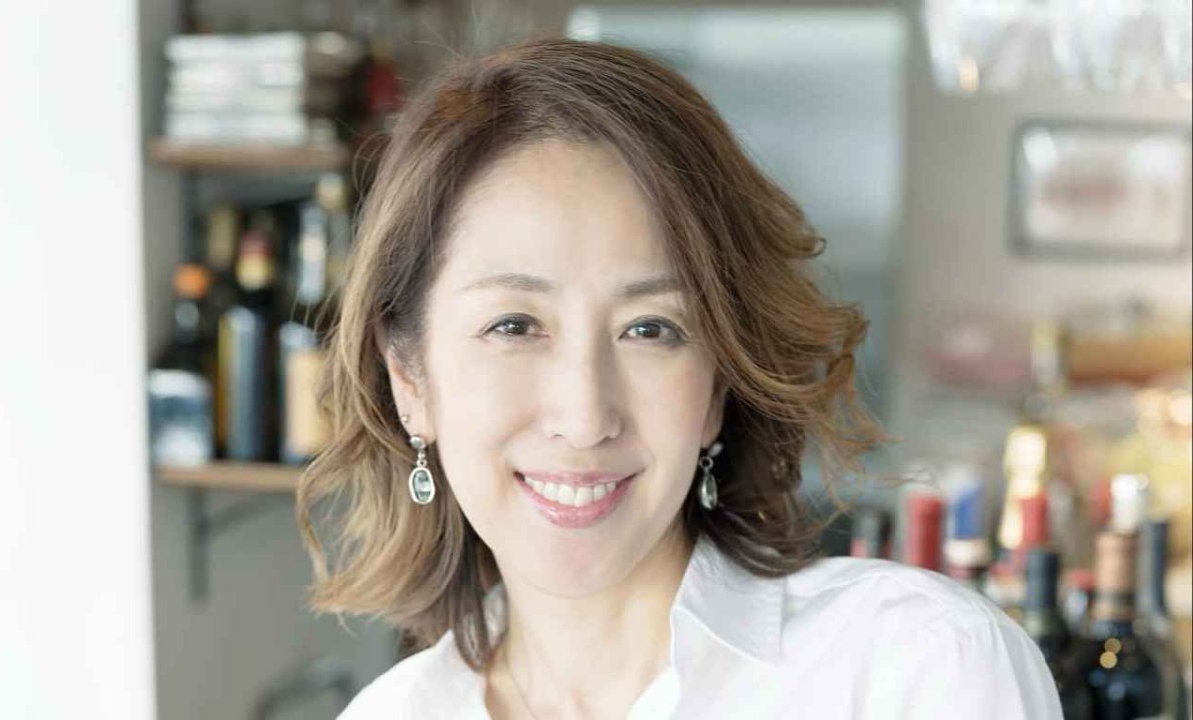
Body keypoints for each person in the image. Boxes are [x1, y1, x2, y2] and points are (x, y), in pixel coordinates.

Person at [296, 37, 1061, 719]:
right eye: (514, 326)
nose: (585, 416)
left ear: (717, 388)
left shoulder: (917, 670)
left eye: (649, 330)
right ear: (410, 379)